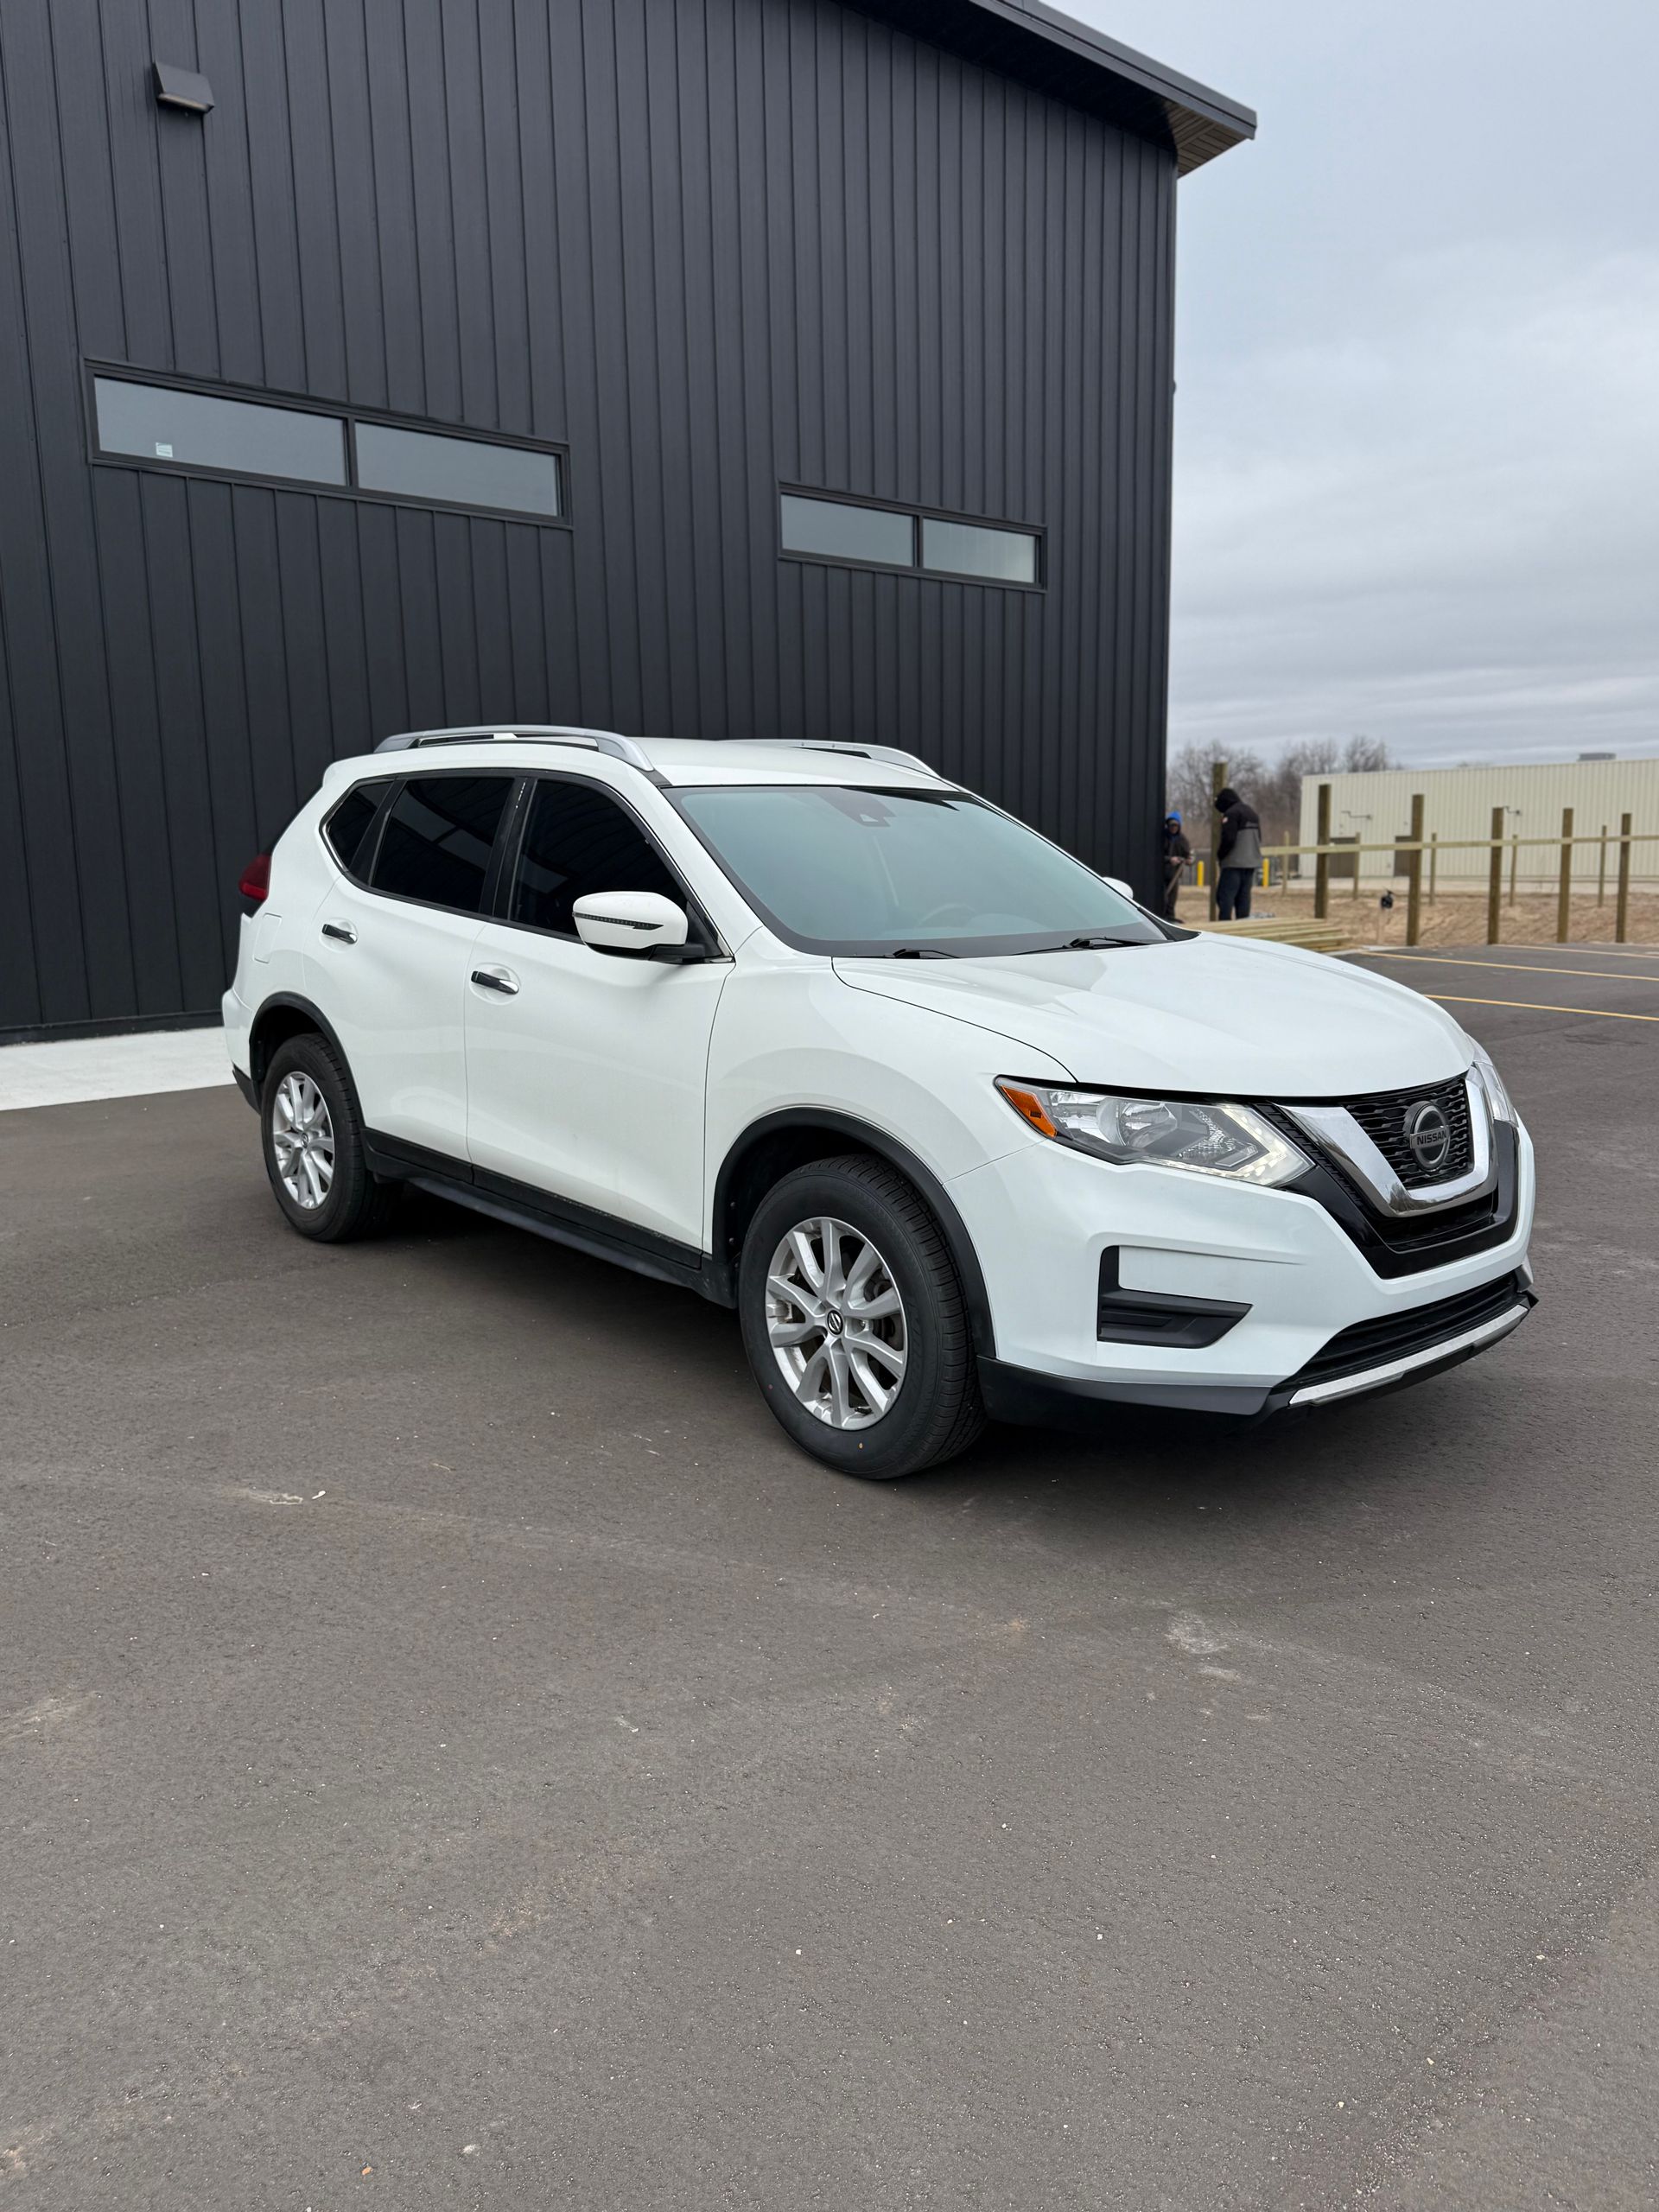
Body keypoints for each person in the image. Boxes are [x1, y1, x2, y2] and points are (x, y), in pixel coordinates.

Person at [1214, 785, 1262, 920]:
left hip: (1233, 863)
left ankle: (1224, 927)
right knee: (1243, 898)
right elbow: (1259, 838)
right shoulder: (1252, 812)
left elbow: (1229, 839)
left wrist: (1220, 855)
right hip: (1251, 863)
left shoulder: (1232, 814)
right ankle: (1243, 925)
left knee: (1225, 897)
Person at [1161, 810, 1191, 919]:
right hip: (1161, 875)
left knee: (1171, 901)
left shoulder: (1182, 840)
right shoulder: (1162, 837)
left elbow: (1188, 856)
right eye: (1171, 825)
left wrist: (1188, 860)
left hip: (1175, 875)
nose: (1173, 828)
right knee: (1163, 899)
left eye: (1176, 826)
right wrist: (1169, 859)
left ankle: (1171, 919)